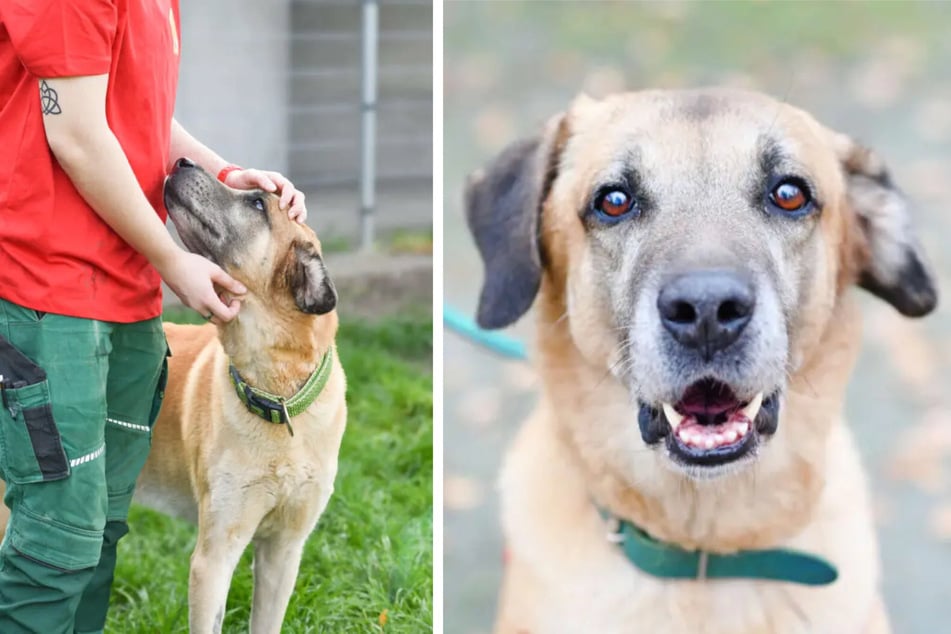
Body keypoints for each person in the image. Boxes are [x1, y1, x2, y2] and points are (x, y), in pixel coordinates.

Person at [0, 3, 306, 632]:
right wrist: (172, 258)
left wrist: (224, 174)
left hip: (125, 291)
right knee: (56, 542)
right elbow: (77, 132)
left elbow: (132, 112)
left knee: (100, 529)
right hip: (47, 290)